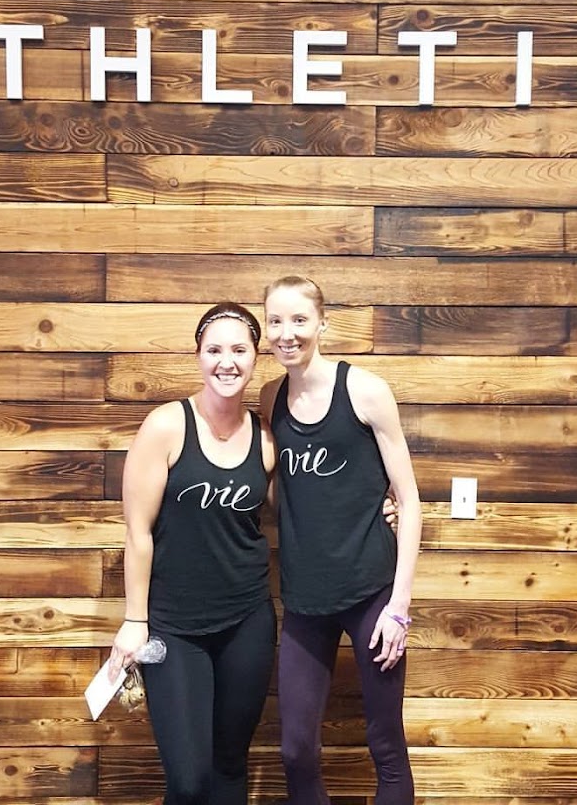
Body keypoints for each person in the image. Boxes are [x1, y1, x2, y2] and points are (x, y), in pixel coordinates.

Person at [259, 275, 422, 805]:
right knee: (295, 751)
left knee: (386, 744)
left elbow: (409, 500)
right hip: (305, 600)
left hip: (372, 593)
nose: (286, 333)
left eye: (298, 320)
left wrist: (399, 606)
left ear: (322, 323)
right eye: (275, 321)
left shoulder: (365, 391)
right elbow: (280, 491)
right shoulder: (270, 397)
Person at [108, 301, 277, 805]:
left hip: (247, 621)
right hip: (174, 627)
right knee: (188, 781)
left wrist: (383, 505)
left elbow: (306, 509)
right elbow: (138, 531)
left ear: (255, 356)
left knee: (229, 765)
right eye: (214, 350)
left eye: (239, 350)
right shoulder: (166, 426)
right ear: (198, 355)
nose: (227, 362)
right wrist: (134, 620)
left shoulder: (266, 438)